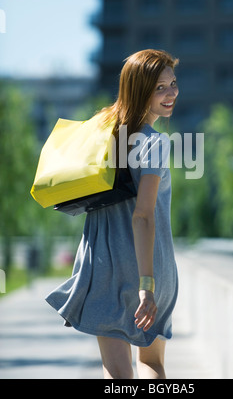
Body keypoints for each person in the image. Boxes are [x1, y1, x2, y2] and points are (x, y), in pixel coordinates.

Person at [46, 49, 180, 379]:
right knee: (151, 363)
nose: (171, 93)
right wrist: (146, 285)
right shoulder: (154, 143)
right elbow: (143, 216)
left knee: (118, 374)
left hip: (102, 264)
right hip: (149, 266)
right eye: (160, 87)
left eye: (173, 83)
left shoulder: (102, 133)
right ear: (140, 90)